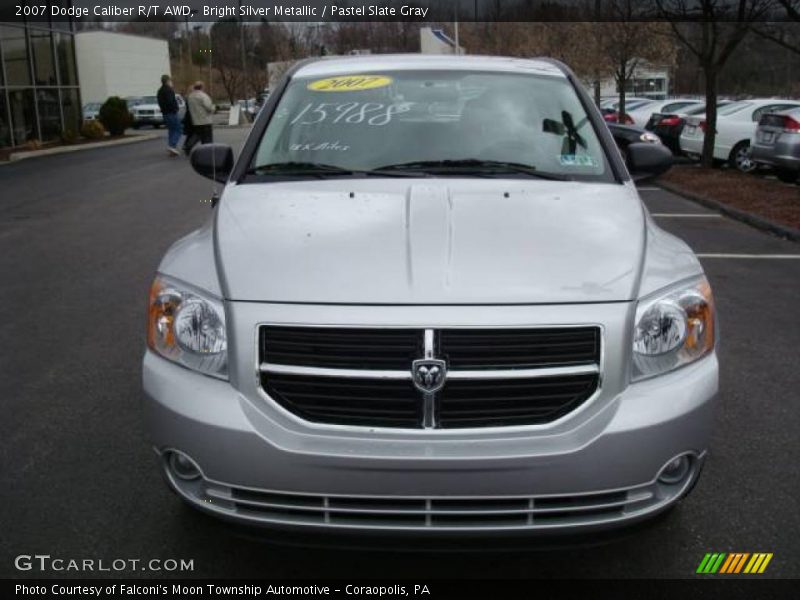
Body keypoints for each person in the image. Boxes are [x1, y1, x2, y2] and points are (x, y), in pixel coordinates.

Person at [184, 81, 215, 155]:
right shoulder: (203, 96)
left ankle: (188, 146)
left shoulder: (190, 97)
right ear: (202, 87)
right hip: (206, 120)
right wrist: (214, 107)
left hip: (196, 121)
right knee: (207, 138)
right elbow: (209, 108)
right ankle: (208, 151)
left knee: (197, 136)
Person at [156, 74, 181, 156]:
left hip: (165, 113)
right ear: (167, 81)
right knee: (178, 130)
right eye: (170, 80)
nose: (171, 82)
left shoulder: (159, 91)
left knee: (171, 130)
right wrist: (175, 109)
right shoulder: (169, 90)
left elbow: (160, 102)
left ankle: (172, 149)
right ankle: (172, 145)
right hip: (171, 113)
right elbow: (170, 102)